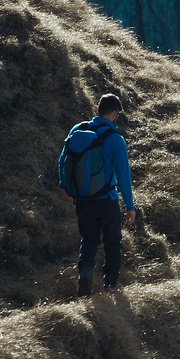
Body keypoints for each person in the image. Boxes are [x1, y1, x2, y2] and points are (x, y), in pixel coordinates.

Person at [57, 94, 136, 296]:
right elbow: (124, 175)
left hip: (83, 199)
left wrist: (65, 186)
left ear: (97, 109)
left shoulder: (77, 130)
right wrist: (130, 206)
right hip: (107, 200)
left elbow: (63, 161)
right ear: (115, 113)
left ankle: (84, 288)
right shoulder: (115, 139)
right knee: (112, 242)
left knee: (89, 240)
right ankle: (111, 286)